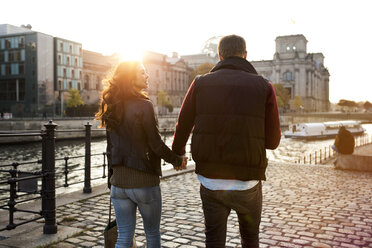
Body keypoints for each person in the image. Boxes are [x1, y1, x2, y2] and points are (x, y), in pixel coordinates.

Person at [172, 35, 281, 248]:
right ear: (245, 55)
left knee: (214, 240)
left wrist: (179, 154)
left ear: (220, 56)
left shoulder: (200, 82)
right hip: (248, 180)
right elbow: (273, 141)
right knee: (250, 239)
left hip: (211, 179)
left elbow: (183, 123)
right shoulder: (264, 86)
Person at [95, 61, 187, 248]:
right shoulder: (144, 105)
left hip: (118, 185)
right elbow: (155, 144)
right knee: (152, 233)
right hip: (143, 182)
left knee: (124, 237)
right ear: (131, 78)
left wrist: (112, 179)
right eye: (142, 73)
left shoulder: (111, 106)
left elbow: (110, 147)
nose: (147, 76)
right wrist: (177, 160)